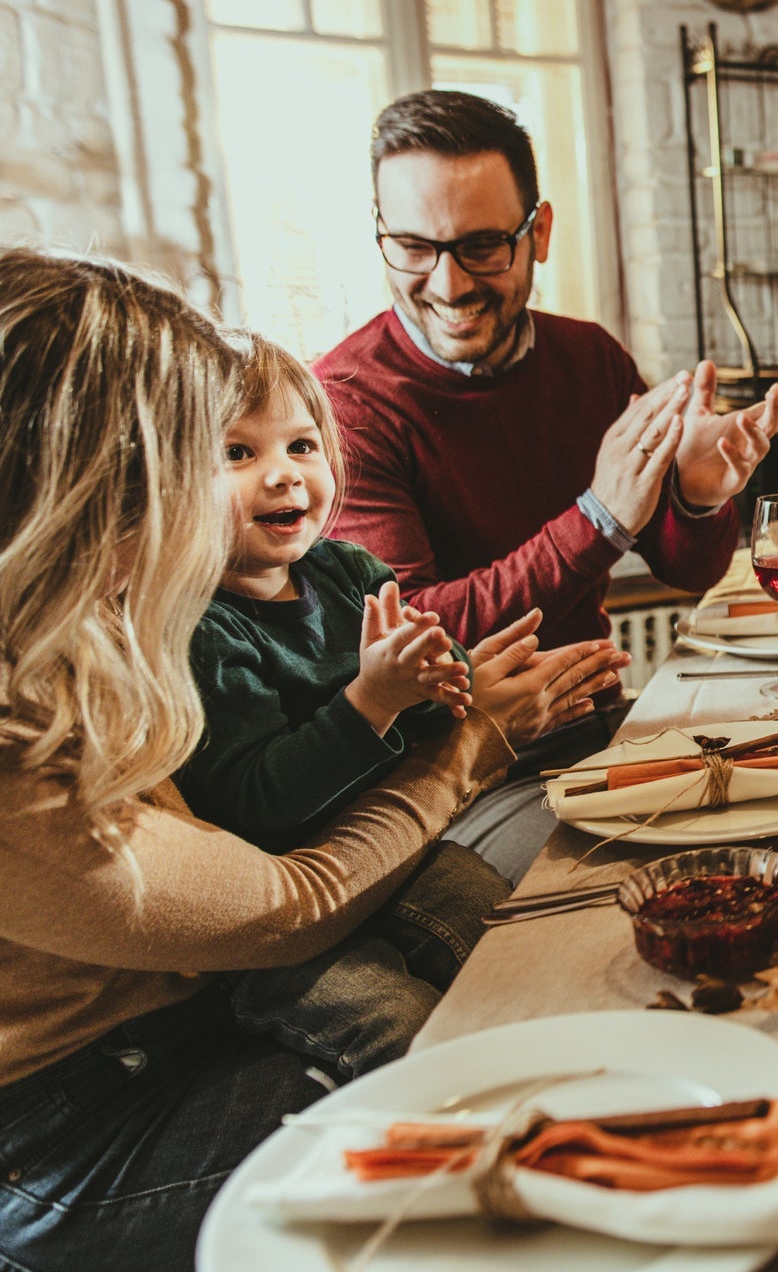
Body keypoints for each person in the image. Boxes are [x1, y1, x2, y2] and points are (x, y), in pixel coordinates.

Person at [0, 248, 610, 1268]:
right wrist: (471, 743)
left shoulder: (88, 624)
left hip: (195, 998)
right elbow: (286, 907)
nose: (211, 505)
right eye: (195, 463)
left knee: (531, 964)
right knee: (478, 1109)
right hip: (84, 1128)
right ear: (79, 493)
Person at [316, 90, 778, 876]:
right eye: (412, 246)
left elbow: (687, 569)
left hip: (598, 729)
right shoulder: (343, 404)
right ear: (381, 235)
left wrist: (697, 496)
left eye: (482, 247)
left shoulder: (588, 357)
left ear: (539, 232)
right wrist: (598, 518)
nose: (448, 284)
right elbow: (419, 635)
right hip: (456, 776)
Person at [181, 335, 544, 1079]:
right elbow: (259, 798)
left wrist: (447, 681)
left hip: (395, 861)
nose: (283, 474)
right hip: (288, 916)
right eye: (238, 454)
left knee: (517, 946)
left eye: (301, 445)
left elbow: (418, 717)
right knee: (399, 1028)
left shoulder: (348, 571)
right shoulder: (200, 625)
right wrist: (372, 698)